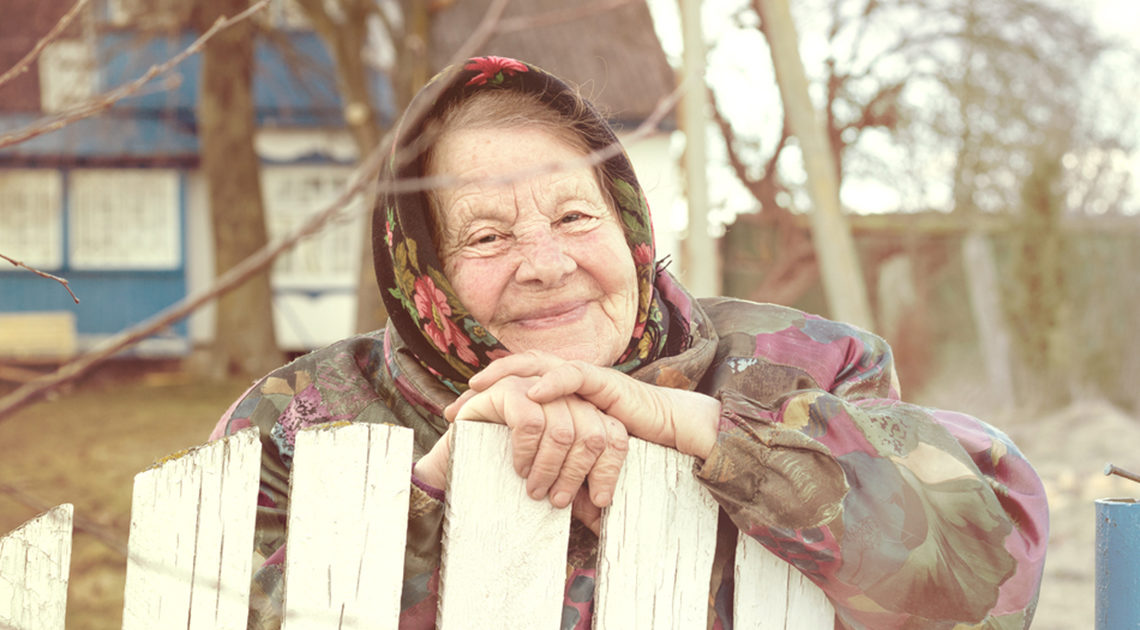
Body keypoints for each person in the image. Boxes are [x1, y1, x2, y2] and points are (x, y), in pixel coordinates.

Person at [211, 56, 1048, 629]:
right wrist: (437, 488)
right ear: (421, 270)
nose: (547, 264)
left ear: (631, 226)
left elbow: (984, 577)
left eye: (576, 216)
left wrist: (691, 424)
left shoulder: (814, 363)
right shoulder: (303, 421)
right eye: (487, 237)